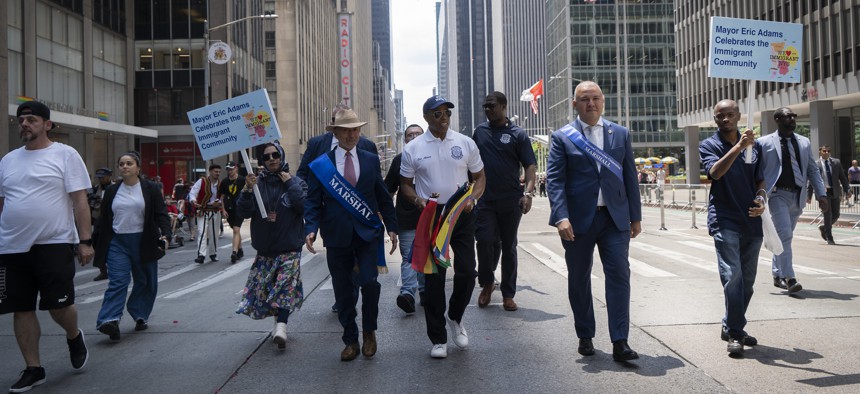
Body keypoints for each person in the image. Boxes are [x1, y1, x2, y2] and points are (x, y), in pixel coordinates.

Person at [545, 81, 641, 362]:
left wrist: (635, 216)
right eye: (584, 99)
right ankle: (585, 334)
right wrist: (560, 217)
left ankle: (620, 341)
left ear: (603, 101)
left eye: (596, 98)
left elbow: (629, 177)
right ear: (574, 104)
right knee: (579, 277)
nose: (591, 103)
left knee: (619, 275)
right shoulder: (563, 137)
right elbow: (555, 181)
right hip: (577, 221)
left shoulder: (620, 134)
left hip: (614, 219)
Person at [0, 101, 92, 392]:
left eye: (32, 119)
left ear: (47, 125)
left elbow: (79, 201)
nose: (25, 124)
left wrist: (85, 241)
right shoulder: (8, 160)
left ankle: (74, 334)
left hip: (53, 242)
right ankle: (33, 368)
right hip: (11, 246)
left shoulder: (65, 154)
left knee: (58, 306)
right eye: (21, 120)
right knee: (20, 308)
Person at [304, 107, 398, 361]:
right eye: (346, 130)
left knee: (370, 283)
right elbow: (313, 201)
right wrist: (310, 228)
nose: (351, 135)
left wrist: (392, 226)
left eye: (355, 129)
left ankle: (369, 331)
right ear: (336, 132)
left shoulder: (369, 158)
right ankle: (350, 339)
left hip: (367, 234)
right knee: (343, 290)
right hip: (336, 236)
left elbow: (381, 195)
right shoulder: (322, 164)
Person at [399, 95, 486, 359]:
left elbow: (479, 177)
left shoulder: (465, 143)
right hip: (433, 216)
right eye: (437, 114)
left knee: (468, 273)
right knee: (434, 279)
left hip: (462, 213)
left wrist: (473, 197)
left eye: (447, 112)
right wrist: (416, 199)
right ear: (426, 117)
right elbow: (405, 184)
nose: (444, 117)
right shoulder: (413, 149)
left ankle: (456, 317)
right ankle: (438, 338)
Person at [296, 104, 379, 314]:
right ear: (333, 126)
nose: (348, 131)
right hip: (334, 222)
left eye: (352, 126)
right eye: (340, 123)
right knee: (341, 274)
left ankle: (354, 304)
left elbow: (376, 187)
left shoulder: (367, 147)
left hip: (363, 222)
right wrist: (311, 213)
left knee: (366, 276)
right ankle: (346, 301)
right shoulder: (317, 145)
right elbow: (303, 174)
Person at [699, 99, 766, 356]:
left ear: (739, 115)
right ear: (715, 119)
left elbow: (760, 179)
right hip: (724, 218)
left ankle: (730, 324)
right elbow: (715, 173)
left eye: (729, 114)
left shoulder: (755, 146)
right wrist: (739, 146)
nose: (725, 119)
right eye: (720, 116)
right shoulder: (709, 145)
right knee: (733, 277)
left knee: (747, 282)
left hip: (751, 218)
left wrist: (762, 198)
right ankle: (736, 333)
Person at [235, 142, 308, 350]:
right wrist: (248, 190)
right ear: (262, 161)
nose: (272, 159)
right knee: (269, 291)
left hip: (290, 248)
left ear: (282, 156)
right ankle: (278, 323)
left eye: (276, 154)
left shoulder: (296, 182)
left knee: (285, 288)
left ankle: (282, 327)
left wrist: (290, 184)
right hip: (265, 249)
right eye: (267, 157)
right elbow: (243, 212)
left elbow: (304, 205)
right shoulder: (256, 183)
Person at [93, 151, 172, 341]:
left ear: (138, 168)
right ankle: (109, 320)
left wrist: (167, 235)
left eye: (129, 163)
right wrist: (91, 243)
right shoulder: (112, 191)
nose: (125, 167)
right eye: (121, 164)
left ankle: (139, 313)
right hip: (118, 242)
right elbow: (103, 219)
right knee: (118, 281)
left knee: (146, 281)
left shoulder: (150, 188)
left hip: (144, 241)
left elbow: (161, 213)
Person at [472, 92, 537, 311]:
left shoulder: (518, 134)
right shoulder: (479, 132)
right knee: (484, 241)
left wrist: (528, 194)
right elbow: (470, 163)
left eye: (491, 105)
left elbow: (530, 166)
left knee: (509, 246)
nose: (487, 109)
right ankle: (487, 282)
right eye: (485, 106)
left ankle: (508, 294)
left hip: (511, 201)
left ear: (503, 106)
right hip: (484, 199)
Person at [758, 107, 827, 293]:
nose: (792, 119)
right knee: (785, 235)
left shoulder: (804, 142)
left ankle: (776, 273)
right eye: (788, 116)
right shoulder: (763, 142)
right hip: (777, 195)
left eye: (793, 117)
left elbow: (812, 170)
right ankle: (789, 277)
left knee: (783, 238)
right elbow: (756, 170)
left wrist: (821, 194)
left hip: (798, 196)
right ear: (778, 119)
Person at [384, 124, 426, 313]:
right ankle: (408, 293)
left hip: (432, 219)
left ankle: (424, 291)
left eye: (418, 134)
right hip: (407, 219)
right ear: (406, 140)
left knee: (428, 257)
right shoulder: (400, 160)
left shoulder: (436, 157)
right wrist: (389, 219)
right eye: (410, 135)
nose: (414, 137)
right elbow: (389, 190)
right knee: (409, 257)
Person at [809, 146, 850, 245]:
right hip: (823, 193)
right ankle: (829, 237)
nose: (827, 152)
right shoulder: (815, 164)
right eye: (824, 151)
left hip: (835, 191)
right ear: (820, 152)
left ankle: (824, 228)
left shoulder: (836, 162)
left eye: (828, 151)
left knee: (836, 215)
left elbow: (842, 177)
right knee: (828, 214)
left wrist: (847, 189)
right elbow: (811, 180)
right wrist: (808, 195)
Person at [189, 165, 223, 264]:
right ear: (210, 172)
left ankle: (213, 253)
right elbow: (192, 193)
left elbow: (223, 197)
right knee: (202, 231)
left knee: (214, 233)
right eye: (216, 171)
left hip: (215, 211)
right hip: (203, 210)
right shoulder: (202, 181)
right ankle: (201, 255)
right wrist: (193, 201)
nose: (218, 174)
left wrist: (219, 202)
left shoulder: (220, 184)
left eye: (219, 172)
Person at [88, 167, 115, 281]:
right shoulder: (95, 189)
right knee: (97, 245)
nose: (101, 180)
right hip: (99, 221)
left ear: (109, 176)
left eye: (103, 177)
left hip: (112, 220)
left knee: (112, 246)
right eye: (99, 178)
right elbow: (90, 204)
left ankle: (114, 269)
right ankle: (103, 270)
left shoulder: (116, 188)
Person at [219, 161, 246, 262]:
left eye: (231, 169)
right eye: (228, 169)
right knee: (236, 231)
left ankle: (234, 252)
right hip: (229, 209)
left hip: (240, 208)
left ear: (236, 169)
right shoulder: (225, 182)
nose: (229, 171)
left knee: (235, 229)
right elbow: (222, 197)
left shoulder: (242, 180)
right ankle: (240, 249)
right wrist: (223, 209)